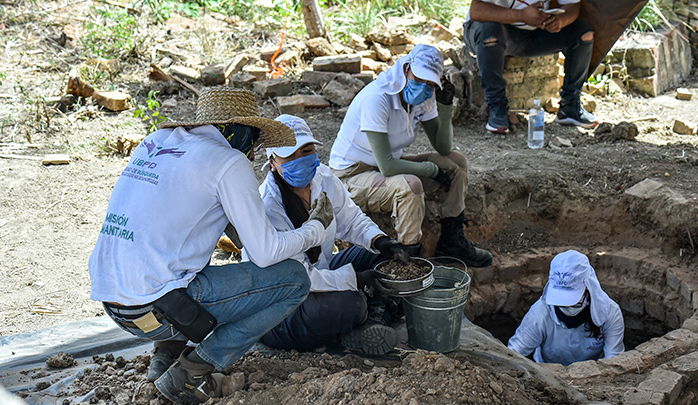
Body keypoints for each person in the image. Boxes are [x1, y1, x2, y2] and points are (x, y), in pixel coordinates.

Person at [88, 87, 335, 404]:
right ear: (237, 130)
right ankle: (191, 370)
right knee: (294, 280)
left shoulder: (155, 142)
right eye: (253, 139)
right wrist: (314, 229)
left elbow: (190, 221)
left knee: (182, 248)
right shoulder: (228, 161)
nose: (255, 150)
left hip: (115, 304)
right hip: (162, 311)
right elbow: (265, 253)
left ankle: (164, 357)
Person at [256, 114, 418, 355]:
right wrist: (358, 279)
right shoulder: (268, 206)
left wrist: (382, 241)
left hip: (320, 271)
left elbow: (351, 219)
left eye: (307, 150)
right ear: (272, 162)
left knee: (381, 259)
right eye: (290, 155)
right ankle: (359, 324)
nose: (301, 159)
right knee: (346, 304)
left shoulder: (323, 177)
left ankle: (372, 321)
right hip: (283, 308)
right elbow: (301, 277)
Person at [328, 44, 493, 268]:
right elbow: (387, 166)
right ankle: (406, 261)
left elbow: (444, 147)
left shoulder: (425, 97)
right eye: (419, 78)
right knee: (410, 185)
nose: (423, 87)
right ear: (406, 68)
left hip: (385, 168)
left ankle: (452, 241)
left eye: (430, 83)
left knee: (456, 163)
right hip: (352, 175)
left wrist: (445, 108)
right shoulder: (377, 99)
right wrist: (430, 170)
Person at [464, 0, 599, 134]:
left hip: (533, 33)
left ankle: (570, 106)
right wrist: (522, 15)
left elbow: (573, 5)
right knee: (489, 31)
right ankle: (497, 107)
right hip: (492, 30)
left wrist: (561, 20)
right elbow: (477, 10)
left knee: (583, 33)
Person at [507, 250, 625, 366]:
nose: (567, 308)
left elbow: (613, 360)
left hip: (594, 377)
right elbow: (515, 352)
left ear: (588, 289)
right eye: (560, 303)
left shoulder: (610, 312)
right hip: (548, 376)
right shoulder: (539, 313)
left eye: (574, 303)